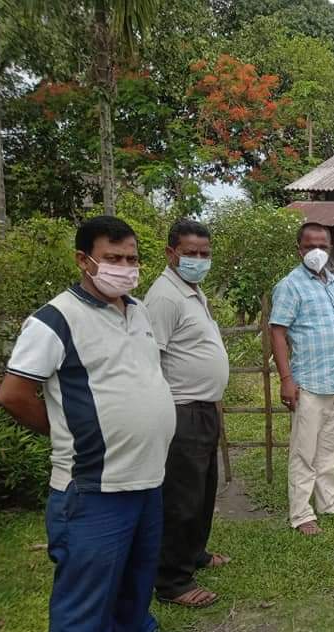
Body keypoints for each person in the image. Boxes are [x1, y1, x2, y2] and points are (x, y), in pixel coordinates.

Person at [0, 216, 185, 632]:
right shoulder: (54, 320)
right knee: (86, 585)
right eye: (113, 258)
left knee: (137, 568)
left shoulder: (138, 311)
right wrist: (66, 434)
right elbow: (13, 394)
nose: (125, 269)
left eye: (131, 259)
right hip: (92, 485)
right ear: (84, 260)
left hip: (146, 475)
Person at [145, 219, 231, 609]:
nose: (198, 259)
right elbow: (150, 358)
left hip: (202, 406)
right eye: (191, 253)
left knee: (202, 488)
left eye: (204, 253)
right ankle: (173, 580)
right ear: (171, 253)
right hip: (180, 409)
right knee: (181, 495)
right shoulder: (164, 297)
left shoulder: (192, 292)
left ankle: (194, 553)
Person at [269, 222, 334, 536]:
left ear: (330, 249)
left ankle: (329, 501)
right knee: (304, 450)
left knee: (330, 448)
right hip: (308, 381)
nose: (316, 252)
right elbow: (278, 332)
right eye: (310, 246)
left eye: (322, 246)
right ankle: (301, 513)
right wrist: (285, 378)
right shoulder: (290, 285)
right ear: (299, 249)